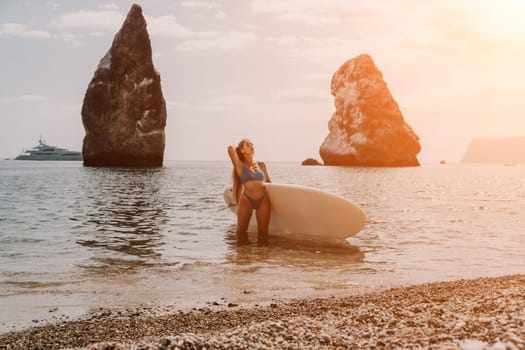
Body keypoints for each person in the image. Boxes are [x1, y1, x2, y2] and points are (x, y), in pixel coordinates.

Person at [227, 139, 271, 245]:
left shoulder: (261, 165)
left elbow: (269, 182)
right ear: (242, 150)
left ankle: (262, 259)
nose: (251, 146)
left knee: (263, 233)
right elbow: (230, 148)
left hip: (263, 200)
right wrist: (239, 149)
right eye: (248, 145)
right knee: (241, 233)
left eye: (252, 144)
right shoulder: (239, 165)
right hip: (247, 200)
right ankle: (243, 257)